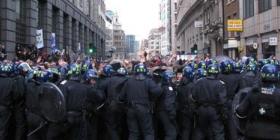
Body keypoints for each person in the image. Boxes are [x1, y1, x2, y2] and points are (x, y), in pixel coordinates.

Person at [235, 64, 280, 140]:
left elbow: (240, 111)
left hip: (253, 132)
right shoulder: (278, 94)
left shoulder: (253, 92)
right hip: (274, 134)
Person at [120, 63, 162, 140]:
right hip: (144, 109)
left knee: (133, 133)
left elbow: (121, 97)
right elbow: (158, 91)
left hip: (131, 110)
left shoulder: (129, 82)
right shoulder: (148, 81)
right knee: (148, 132)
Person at [191, 64, 227, 140]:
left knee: (200, 130)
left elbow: (193, 96)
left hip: (201, 109)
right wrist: (224, 113)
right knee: (218, 131)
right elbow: (222, 101)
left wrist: (196, 108)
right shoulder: (220, 84)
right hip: (214, 110)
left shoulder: (199, 82)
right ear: (217, 73)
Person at [59, 63, 88, 140]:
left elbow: (61, 101)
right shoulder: (85, 86)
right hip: (80, 116)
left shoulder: (64, 85)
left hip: (67, 117)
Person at [0, 62, 26, 140]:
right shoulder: (12, 81)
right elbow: (17, 95)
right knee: (3, 129)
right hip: (5, 108)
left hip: (4, 106)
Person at [101, 67, 129, 140]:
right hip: (123, 107)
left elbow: (102, 92)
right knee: (121, 125)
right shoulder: (128, 80)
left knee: (111, 126)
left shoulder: (110, 80)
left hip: (111, 106)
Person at [217, 60, 241, 140]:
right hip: (232, 102)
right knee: (231, 125)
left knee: (219, 124)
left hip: (220, 103)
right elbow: (240, 90)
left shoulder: (218, 76)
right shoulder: (237, 77)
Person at [83, 69, 105, 140]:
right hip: (87, 112)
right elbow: (101, 97)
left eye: (95, 79)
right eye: (92, 79)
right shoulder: (91, 89)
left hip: (90, 112)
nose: (94, 81)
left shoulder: (92, 87)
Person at [156, 70, 177, 140]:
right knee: (172, 133)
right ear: (168, 79)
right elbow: (168, 103)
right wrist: (172, 114)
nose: (174, 80)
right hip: (165, 112)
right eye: (172, 78)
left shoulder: (161, 85)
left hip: (160, 111)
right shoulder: (168, 88)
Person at [177, 66, 195, 140]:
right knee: (187, 130)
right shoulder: (191, 85)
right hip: (188, 110)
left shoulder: (180, 84)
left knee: (183, 128)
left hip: (181, 110)